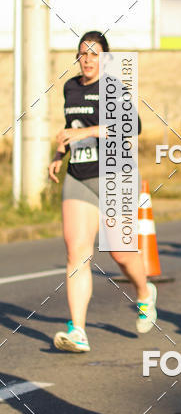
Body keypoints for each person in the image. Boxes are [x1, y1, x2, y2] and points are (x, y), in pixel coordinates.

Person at [49, 31, 157, 353]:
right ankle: (78, 330)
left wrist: (93, 130)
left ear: (105, 59)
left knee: (121, 253)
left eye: (95, 54)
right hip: (79, 175)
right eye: (83, 53)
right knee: (77, 254)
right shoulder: (70, 87)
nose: (88, 60)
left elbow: (132, 127)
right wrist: (59, 154)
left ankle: (144, 292)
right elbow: (73, 127)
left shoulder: (114, 88)